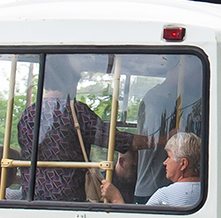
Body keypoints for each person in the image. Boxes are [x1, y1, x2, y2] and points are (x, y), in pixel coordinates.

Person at [11, 57, 135, 202]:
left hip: (31, 197)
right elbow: (116, 140)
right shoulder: (76, 112)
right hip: (69, 199)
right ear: (69, 83)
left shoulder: (27, 115)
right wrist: (161, 140)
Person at [134, 57, 203, 204]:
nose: (199, 76)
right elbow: (148, 139)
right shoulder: (155, 99)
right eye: (197, 70)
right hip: (153, 184)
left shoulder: (192, 99)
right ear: (182, 66)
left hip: (181, 183)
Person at [102, 132, 202, 207]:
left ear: (183, 164)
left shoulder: (164, 196)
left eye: (169, 157)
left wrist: (116, 199)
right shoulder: (209, 192)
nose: (164, 162)